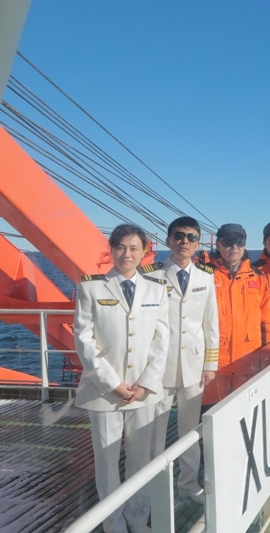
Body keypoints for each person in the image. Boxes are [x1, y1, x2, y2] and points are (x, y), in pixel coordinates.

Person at [73, 224, 169, 533]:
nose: (127, 254)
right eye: (120, 247)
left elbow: (161, 340)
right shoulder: (91, 289)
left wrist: (146, 383)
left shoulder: (157, 289)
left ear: (144, 252)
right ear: (111, 250)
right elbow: (84, 339)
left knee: (141, 460)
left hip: (143, 391)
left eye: (133, 248)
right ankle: (113, 524)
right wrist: (112, 383)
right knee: (107, 462)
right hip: (104, 392)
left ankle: (138, 520)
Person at [147, 216, 219, 505]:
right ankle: (154, 489)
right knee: (154, 432)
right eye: (178, 235)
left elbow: (210, 323)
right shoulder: (151, 276)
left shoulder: (205, 277)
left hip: (194, 365)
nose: (184, 241)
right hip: (158, 367)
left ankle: (188, 485)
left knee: (190, 431)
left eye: (191, 237)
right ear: (168, 240)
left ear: (197, 243)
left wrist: (210, 364)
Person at [203, 223, 270, 402]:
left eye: (239, 241)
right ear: (218, 245)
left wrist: (269, 357)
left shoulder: (258, 277)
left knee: (246, 410)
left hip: (248, 362)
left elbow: (268, 321)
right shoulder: (204, 276)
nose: (234, 246)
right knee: (210, 413)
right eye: (227, 242)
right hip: (214, 364)